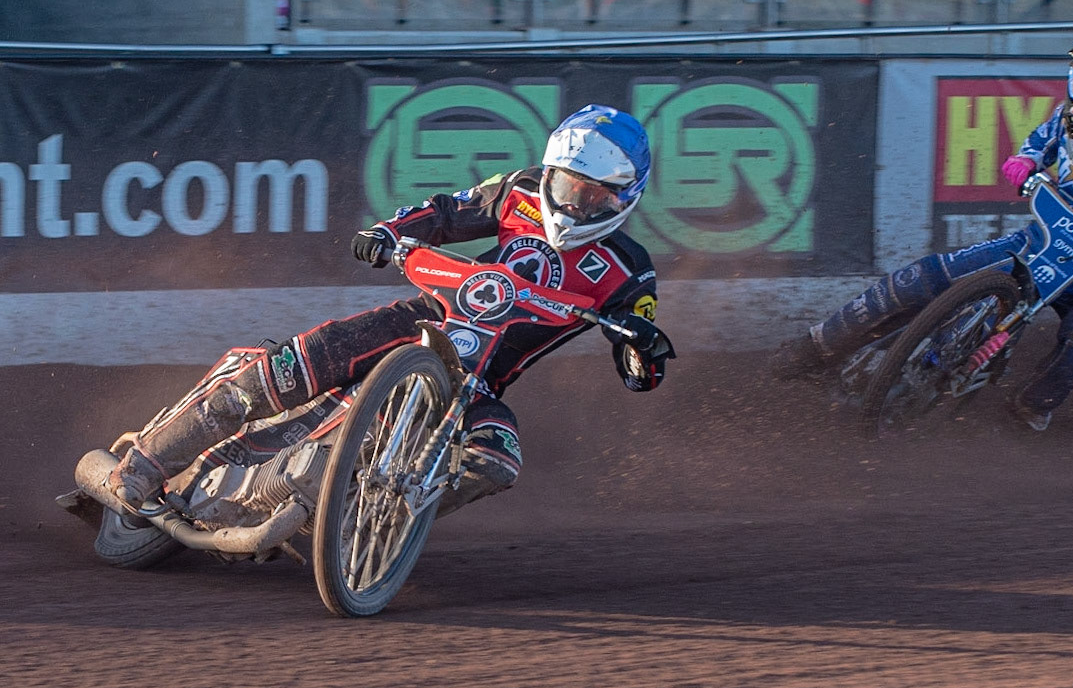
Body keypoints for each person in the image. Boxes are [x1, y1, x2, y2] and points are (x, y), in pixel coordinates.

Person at [107, 104, 676, 514]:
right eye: (568, 186)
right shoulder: (519, 189)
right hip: (419, 322)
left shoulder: (631, 271)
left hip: (479, 382)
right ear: (549, 173)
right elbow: (448, 212)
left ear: (625, 197)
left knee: (496, 459)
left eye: (593, 196)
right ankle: (143, 466)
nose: (574, 204)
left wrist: (642, 345)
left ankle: (370, 520)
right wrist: (387, 232)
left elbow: (641, 375)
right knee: (285, 369)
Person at [770, 31, 1073, 431]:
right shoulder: (1067, 119)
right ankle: (814, 347)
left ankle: (1027, 410)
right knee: (920, 276)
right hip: (1036, 245)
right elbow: (1039, 143)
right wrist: (1024, 160)